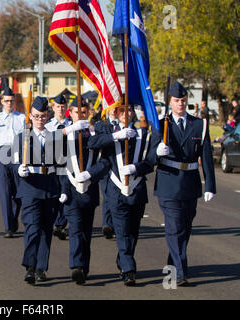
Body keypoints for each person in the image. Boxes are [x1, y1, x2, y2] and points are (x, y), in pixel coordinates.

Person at [154, 81, 216, 286]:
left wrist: (210, 186)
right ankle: (179, 274)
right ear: (169, 102)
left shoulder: (199, 125)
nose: (180, 104)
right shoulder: (162, 124)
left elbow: (206, 157)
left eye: (183, 100)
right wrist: (157, 152)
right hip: (169, 183)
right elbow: (149, 157)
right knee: (175, 228)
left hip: (190, 183)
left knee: (185, 229)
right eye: (176, 100)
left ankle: (171, 268)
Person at [88, 105, 157, 286]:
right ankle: (129, 269)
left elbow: (150, 162)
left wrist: (136, 168)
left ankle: (123, 259)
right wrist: (115, 137)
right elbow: (92, 143)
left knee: (133, 232)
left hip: (137, 189)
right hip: (116, 190)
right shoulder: (110, 131)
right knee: (121, 231)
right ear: (116, 114)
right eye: (121, 111)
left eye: (129, 110)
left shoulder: (143, 134)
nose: (126, 114)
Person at [59, 98, 110, 285]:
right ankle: (77, 266)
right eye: (75, 112)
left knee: (86, 232)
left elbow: (105, 162)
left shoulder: (95, 133)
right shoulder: (63, 133)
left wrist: (90, 173)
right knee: (75, 228)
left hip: (89, 188)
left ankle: (84, 268)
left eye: (83, 112)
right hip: (70, 190)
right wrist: (68, 131)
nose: (80, 115)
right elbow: (49, 147)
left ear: (88, 113)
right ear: (70, 113)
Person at [16, 96, 64, 284]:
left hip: (50, 186)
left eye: (43, 116)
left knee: (46, 229)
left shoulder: (54, 137)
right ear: (30, 116)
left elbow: (61, 164)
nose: (40, 120)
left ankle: (41, 268)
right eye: (36, 116)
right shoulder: (22, 137)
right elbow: (12, 161)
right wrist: (19, 169)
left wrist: (63, 189)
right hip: (30, 186)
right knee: (32, 228)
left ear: (48, 116)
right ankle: (30, 267)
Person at [0, 87, 25, 238]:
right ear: (2, 101)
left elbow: (25, 140)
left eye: (11, 101)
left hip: (17, 152)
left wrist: (25, 160)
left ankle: (13, 217)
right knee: (4, 192)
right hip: (2, 154)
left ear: (14, 102)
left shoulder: (21, 118)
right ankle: (8, 227)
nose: (9, 103)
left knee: (18, 191)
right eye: (7, 101)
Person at [45, 93, 72, 241]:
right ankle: (53, 220)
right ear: (53, 108)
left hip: (68, 165)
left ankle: (61, 225)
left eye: (63, 106)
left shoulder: (72, 124)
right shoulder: (48, 126)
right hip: (52, 165)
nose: (60, 109)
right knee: (54, 195)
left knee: (66, 194)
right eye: (58, 106)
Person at [99, 109, 118, 240]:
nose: (115, 110)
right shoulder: (101, 125)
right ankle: (107, 224)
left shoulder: (125, 124)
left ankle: (116, 224)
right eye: (112, 107)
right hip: (105, 166)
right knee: (107, 196)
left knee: (117, 198)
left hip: (119, 168)